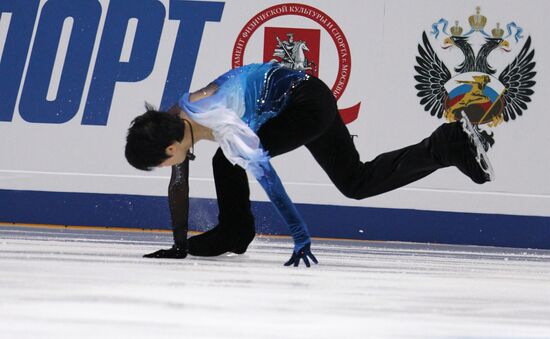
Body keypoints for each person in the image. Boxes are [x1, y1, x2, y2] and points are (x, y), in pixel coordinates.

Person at [125, 62, 494, 267]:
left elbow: (268, 178)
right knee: (356, 182)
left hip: (306, 105)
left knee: (228, 160)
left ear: (171, 146)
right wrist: (178, 245)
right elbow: (179, 181)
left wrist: (299, 232)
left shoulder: (219, 121)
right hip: (303, 92)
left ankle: (236, 232)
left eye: (161, 162)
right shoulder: (176, 117)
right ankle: (446, 146)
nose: (166, 167)